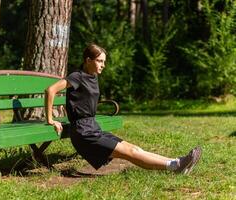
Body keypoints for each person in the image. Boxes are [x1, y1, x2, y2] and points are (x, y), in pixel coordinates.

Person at [45, 43, 202, 174]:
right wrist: (51, 119)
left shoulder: (92, 77)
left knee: (133, 148)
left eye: (104, 61)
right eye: (100, 61)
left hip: (92, 127)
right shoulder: (77, 77)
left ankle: (176, 163)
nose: (103, 65)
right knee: (130, 153)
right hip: (83, 133)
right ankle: (176, 166)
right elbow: (50, 90)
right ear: (87, 60)